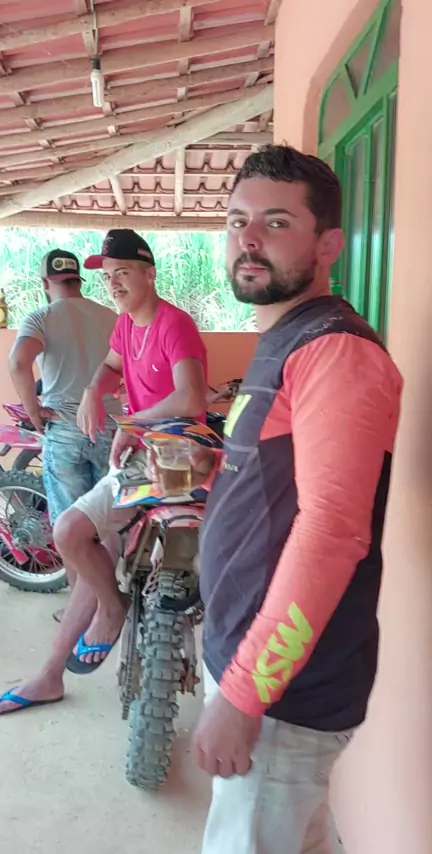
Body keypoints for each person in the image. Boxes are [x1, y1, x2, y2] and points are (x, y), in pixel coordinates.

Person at [182, 145, 402, 852]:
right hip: (258, 669)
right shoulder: (286, 340)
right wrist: (214, 468)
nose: (248, 238)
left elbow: (332, 531)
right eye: (237, 220)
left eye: (276, 222)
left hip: (282, 698)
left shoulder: (336, 352)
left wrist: (244, 694)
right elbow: (280, 477)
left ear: (328, 244)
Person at [0, 229, 207, 716]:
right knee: (72, 534)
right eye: (107, 277)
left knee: (94, 544)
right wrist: (92, 391)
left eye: (122, 273)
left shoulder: (174, 324)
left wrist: (130, 422)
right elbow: (111, 365)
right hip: (137, 456)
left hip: (174, 461)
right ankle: (104, 615)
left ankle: (55, 667)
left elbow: (191, 397)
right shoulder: (125, 324)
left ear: (149, 273)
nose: (114, 284)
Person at [7, 248, 120, 591]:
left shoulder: (41, 317)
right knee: (109, 523)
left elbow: (18, 363)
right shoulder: (111, 316)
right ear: (78, 281)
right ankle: (110, 597)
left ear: (46, 283)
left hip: (65, 430)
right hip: (110, 428)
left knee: (70, 528)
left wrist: (33, 411)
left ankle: (80, 605)